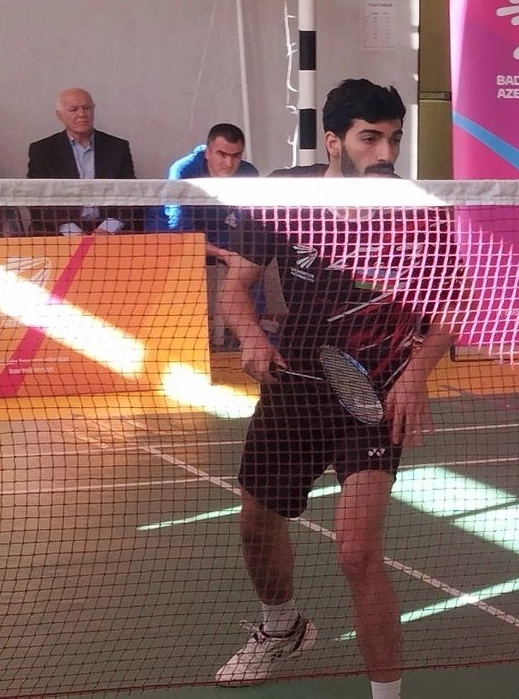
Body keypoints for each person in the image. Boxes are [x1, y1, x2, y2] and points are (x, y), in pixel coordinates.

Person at [214, 79, 460, 697]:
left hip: (371, 396)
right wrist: (252, 338)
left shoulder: (421, 211)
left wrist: (416, 375)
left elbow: (451, 305)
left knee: (355, 552)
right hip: (294, 384)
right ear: (333, 141)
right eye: (369, 138)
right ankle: (281, 627)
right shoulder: (285, 197)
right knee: (256, 523)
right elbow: (235, 288)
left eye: (394, 139)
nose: (386, 153)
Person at [164, 124, 261, 347]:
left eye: (235, 156)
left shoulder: (249, 174)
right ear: (207, 152)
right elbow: (181, 234)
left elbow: (253, 228)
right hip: (176, 235)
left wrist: (240, 256)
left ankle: (253, 336)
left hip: (221, 235)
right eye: (222, 154)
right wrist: (224, 255)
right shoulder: (182, 171)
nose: (228, 163)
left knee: (250, 261)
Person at [26, 87, 138, 234]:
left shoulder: (118, 147)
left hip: (108, 229)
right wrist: (71, 231)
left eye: (87, 108)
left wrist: (107, 229)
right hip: (59, 230)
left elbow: (131, 194)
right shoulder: (42, 150)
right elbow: (37, 199)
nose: (82, 114)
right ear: (59, 115)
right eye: (74, 109)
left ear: (93, 110)